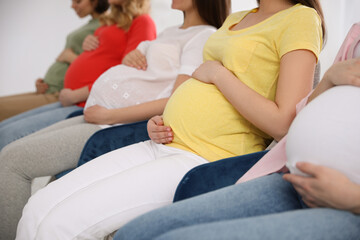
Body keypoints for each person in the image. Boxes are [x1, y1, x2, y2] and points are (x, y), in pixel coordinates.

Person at [15, 0, 324, 239]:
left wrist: (218, 73)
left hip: (203, 155)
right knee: (37, 207)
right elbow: (197, 87)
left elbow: (284, 122)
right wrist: (163, 115)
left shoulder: (300, 18)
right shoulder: (237, 18)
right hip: (162, 139)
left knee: (60, 224)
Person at [0, 0, 229, 239]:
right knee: (14, 159)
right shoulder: (170, 31)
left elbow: (176, 98)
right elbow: (149, 73)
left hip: (115, 123)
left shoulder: (204, 35)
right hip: (97, 112)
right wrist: (133, 56)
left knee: (13, 161)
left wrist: (109, 114)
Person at [112, 58, 360, 240]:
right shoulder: (355, 34)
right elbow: (304, 118)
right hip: (293, 179)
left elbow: (280, 124)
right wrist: (328, 78)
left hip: (348, 206)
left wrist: (353, 198)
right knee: (135, 233)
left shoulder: (300, 22)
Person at [0, 0, 156, 151]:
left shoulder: (142, 21)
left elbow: (130, 76)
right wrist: (90, 43)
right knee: (3, 129)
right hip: (72, 99)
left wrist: (76, 95)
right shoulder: (112, 22)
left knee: (7, 135)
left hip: (85, 102)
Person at [0, 0, 109, 122]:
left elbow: (104, 68)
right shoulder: (93, 24)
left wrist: (70, 57)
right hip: (48, 89)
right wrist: (46, 81)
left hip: (61, 93)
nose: (72, 6)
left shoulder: (107, 26)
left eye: (78, 1)